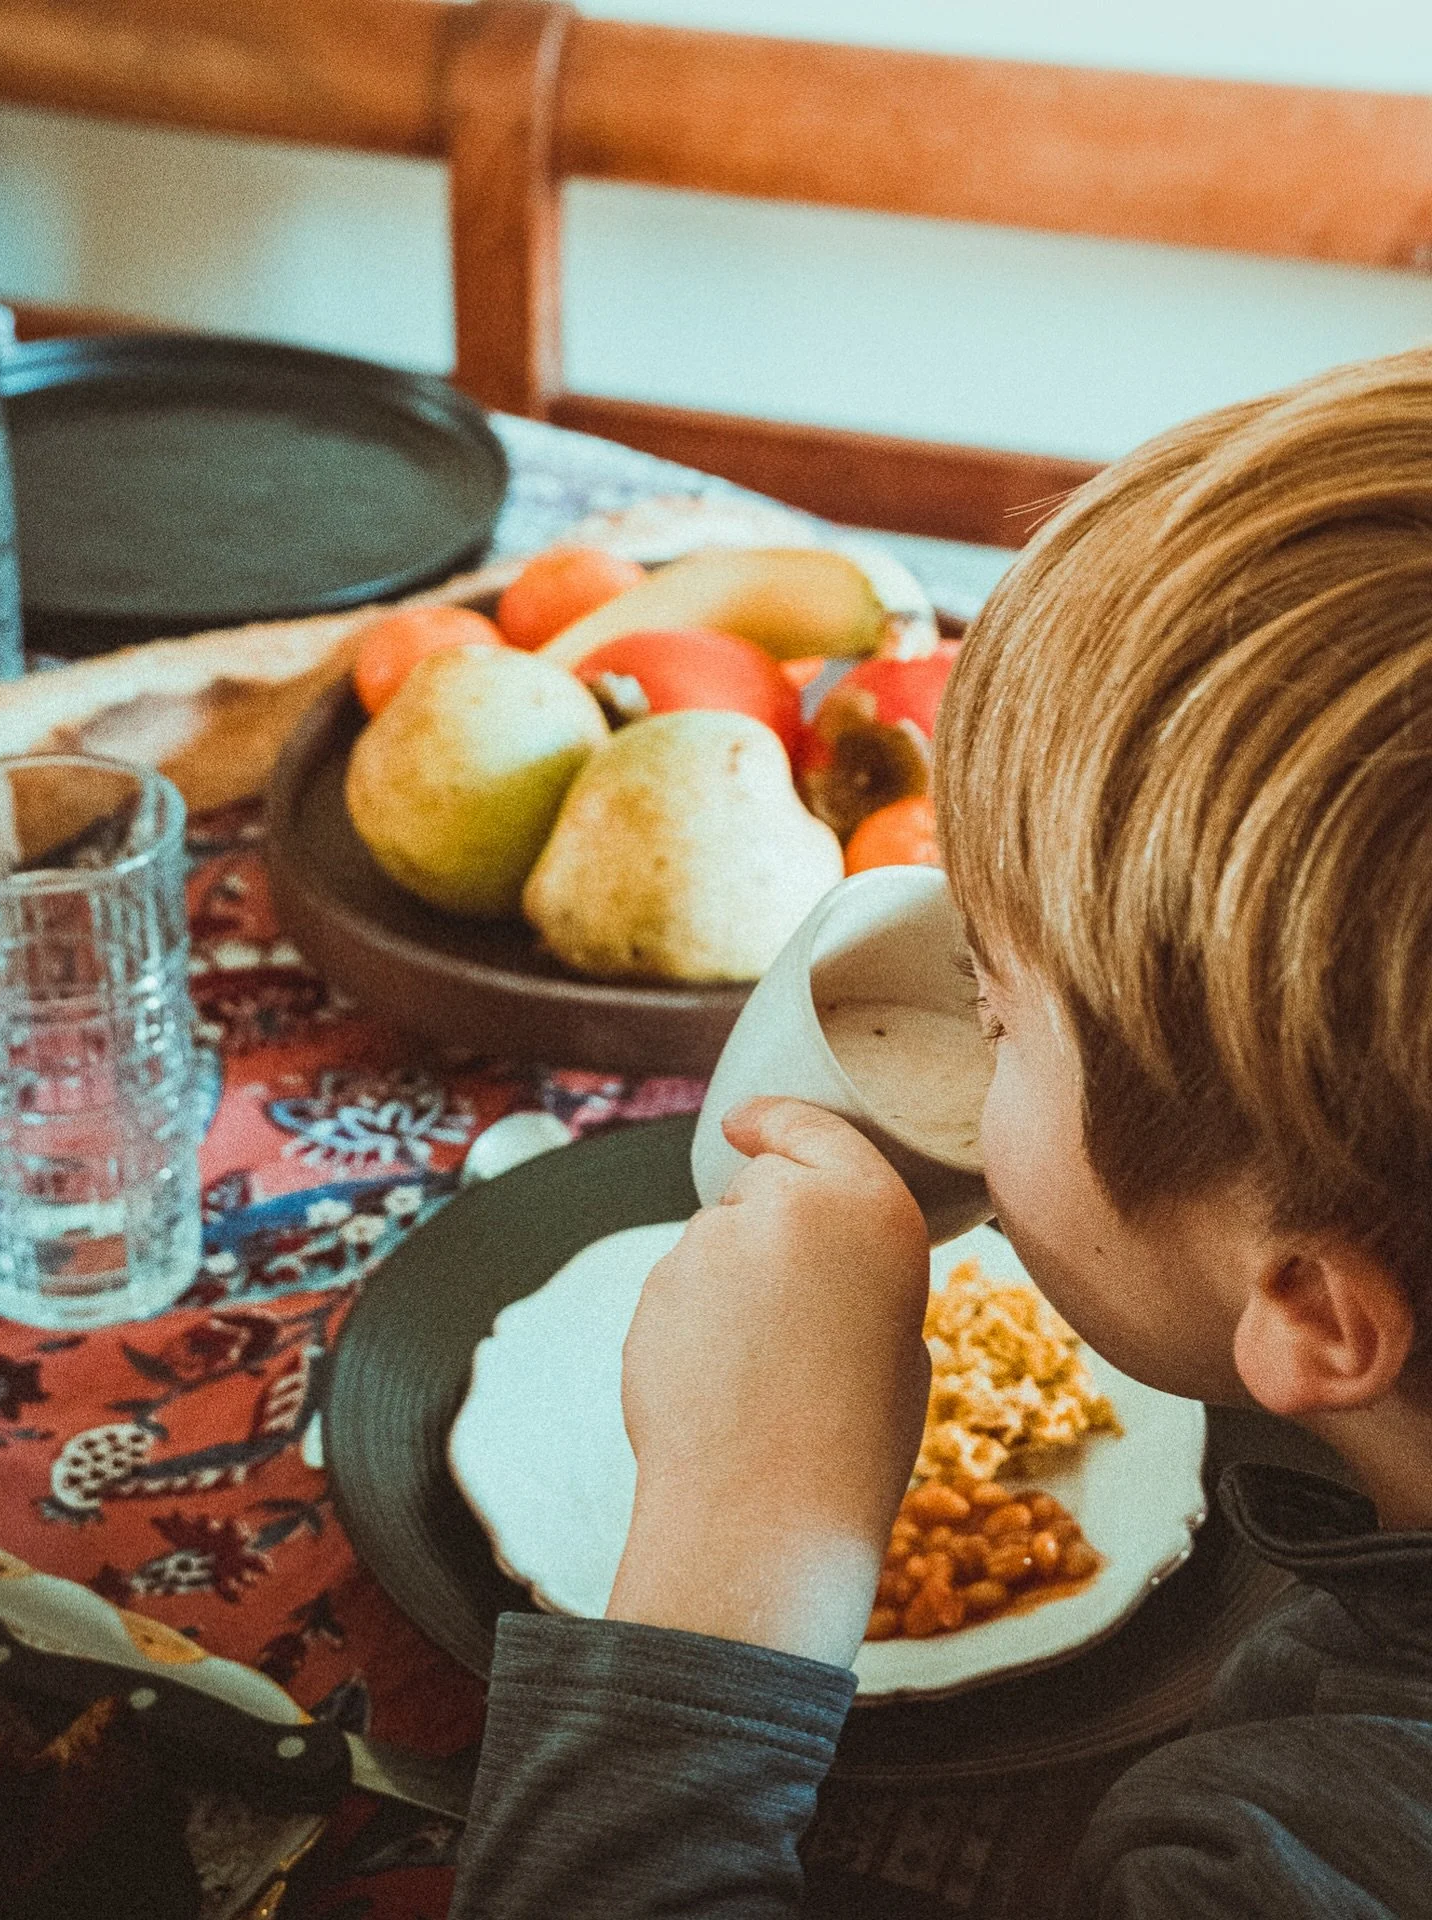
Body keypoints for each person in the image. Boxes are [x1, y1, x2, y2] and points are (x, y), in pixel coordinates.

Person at [451, 348, 1432, 1917]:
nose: (962, 993)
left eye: (1002, 1017)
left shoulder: (1277, 1862)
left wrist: (740, 1536)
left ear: (1312, 1311)